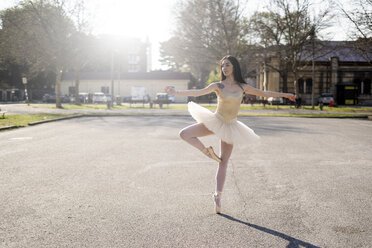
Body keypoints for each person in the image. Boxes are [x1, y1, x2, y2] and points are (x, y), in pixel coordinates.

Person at [166, 55, 295, 214]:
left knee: (224, 162)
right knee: (184, 133)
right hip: (215, 121)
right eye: (222, 66)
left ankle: (217, 196)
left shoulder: (243, 87)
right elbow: (198, 93)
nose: (224, 68)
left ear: (234, 66)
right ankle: (208, 152)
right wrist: (175, 92)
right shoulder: (218, 85)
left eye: (227, 65)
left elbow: (263, 92)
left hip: (231, 126)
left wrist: (285, 95)